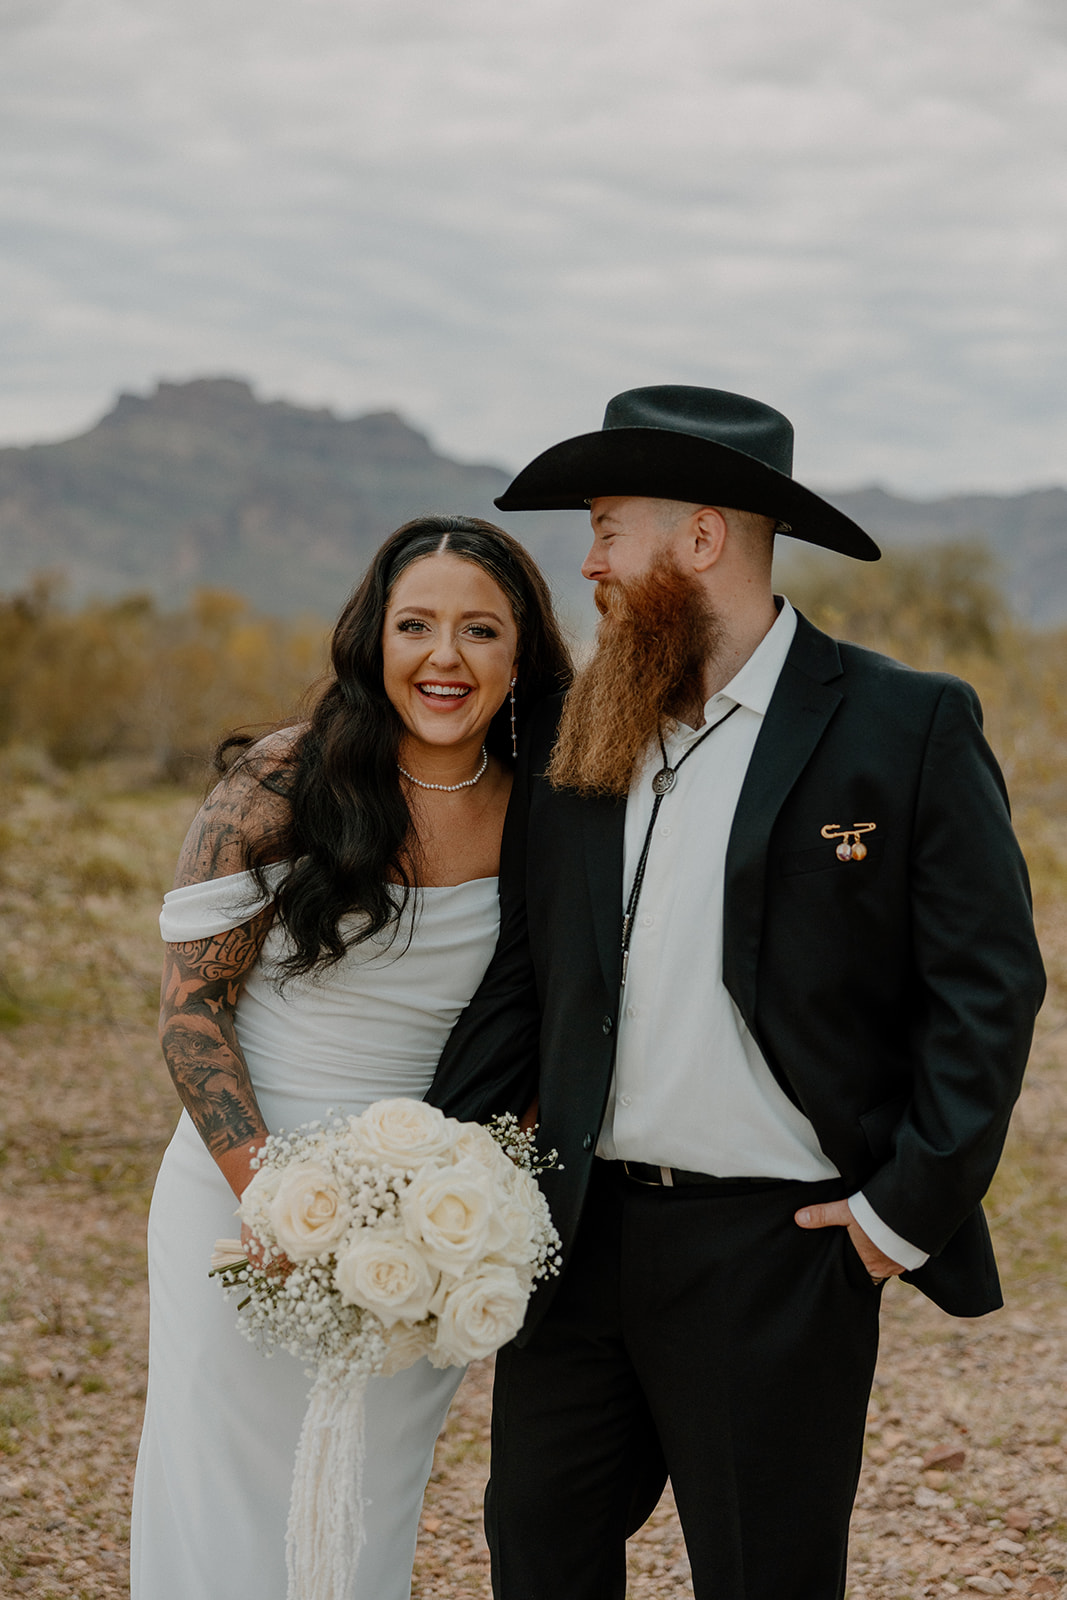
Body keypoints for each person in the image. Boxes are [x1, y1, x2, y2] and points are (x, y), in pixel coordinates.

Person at [427, 387, 1046, 1600]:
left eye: (609, 526)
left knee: (767, 1577)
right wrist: (427, 1168)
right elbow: (528, 970)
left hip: (779, 1257)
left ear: (700, 538)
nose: (589, 561)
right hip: (577, 1237)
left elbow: (988, 987)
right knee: (534, 1553)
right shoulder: (575, 721)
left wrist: (893, 1219)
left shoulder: (901, 722)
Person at [130, 514, 571, 1600]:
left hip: (426, 1221)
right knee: (226, 1488)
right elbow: (190, 1014)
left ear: (520, 654)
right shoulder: (286, 782)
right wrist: (270, 1195)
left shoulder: (547, 807)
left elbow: (555, 1007)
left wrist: (481, 1183)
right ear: (374, 638)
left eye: (479, 630)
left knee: (366, 1497)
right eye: (414, 624)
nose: (443, 657)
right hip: (243, 1195)